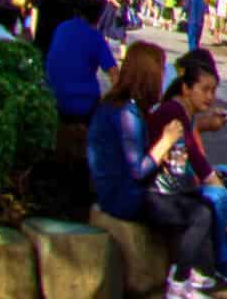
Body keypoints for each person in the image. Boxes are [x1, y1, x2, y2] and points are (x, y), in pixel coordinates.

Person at [86, 42, 219, 297]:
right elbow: (138, 169)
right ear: (148, 75)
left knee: (198, 200)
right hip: (124, 197)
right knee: (199, 213)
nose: (164, 77)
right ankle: (179, 283)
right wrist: (165, 142)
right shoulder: (127, 113)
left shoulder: (120, 105)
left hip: (119, 190)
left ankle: (191, 274)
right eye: (160, 71)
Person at [152, 50, 227, 287]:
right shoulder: (173, 111)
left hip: (176, 179)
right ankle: (223, 260)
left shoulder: (183, 111)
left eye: (213, 90)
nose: (210, 97)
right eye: (204, 89)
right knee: (217, 196)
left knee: (223, 176)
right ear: (186, 88)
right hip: (164, 186)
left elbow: (196, 158)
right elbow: (197, 161)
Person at [46, 0, 117, 123]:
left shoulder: (62, 28)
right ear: (99, 16)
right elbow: (114, 76)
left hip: (52, 98)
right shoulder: (96, 38)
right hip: (82, 105)